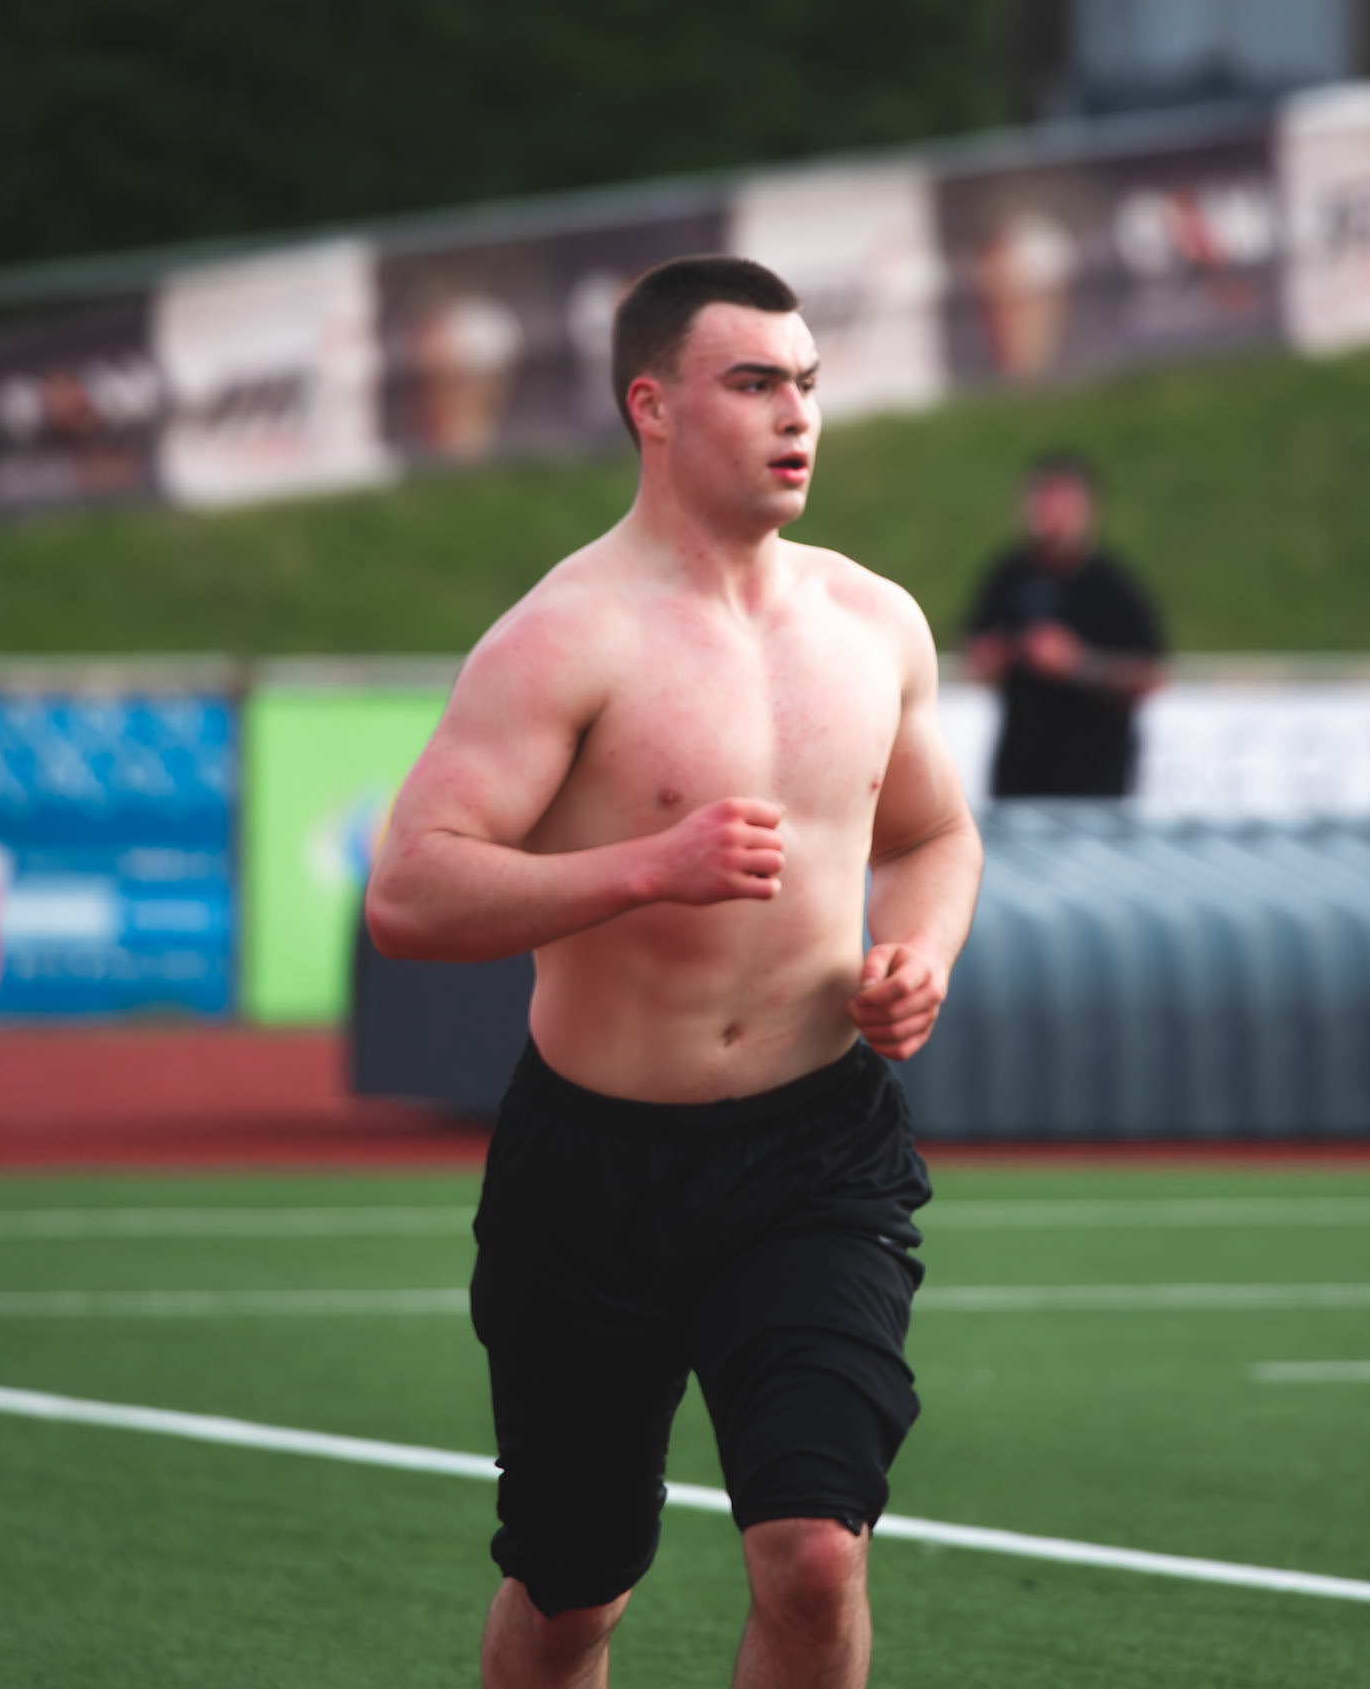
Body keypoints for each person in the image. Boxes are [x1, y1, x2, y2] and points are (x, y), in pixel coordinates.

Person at [366, 255, 983, 1689]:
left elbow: (934, 835)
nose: (797, 416)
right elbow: (408, 892)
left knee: (814, 1552)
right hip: (591, 1173)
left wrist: (919, 954)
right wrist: (643, 867)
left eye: (807, 383)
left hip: (814, 1152)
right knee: (571, 1592)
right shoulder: (561, 635)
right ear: (652, 406)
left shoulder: (874, 621)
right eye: (753, 383)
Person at [965, 453, 1167, 799]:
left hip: (1094, 783)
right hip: (1019, 778)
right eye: (1044, 502)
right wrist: (998, 657)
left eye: (1063, 503)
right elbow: (976, 655)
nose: (1052, 515)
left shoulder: (1111, 584)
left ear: (1088, 511)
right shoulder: (1008, 575)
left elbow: (1151, 675)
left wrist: (1079, 665)